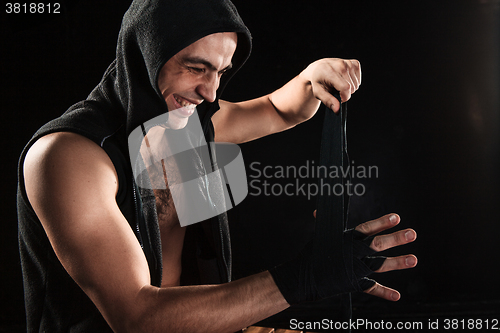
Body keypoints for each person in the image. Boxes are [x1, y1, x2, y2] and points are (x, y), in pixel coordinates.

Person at [17, 0, 417, 332]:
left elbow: (278, 109)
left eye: (221, 72)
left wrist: (312, 78)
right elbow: (136, 316)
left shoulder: (185, 122)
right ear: (143, 56)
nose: (210, 93)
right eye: (195, 68)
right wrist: (304, 278)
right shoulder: (69, 158)